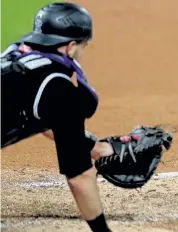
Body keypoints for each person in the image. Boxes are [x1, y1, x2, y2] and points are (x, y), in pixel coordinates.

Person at [2, 3, 113, 231]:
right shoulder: (59, 89)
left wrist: (96, 147)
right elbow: (79, 177)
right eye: (84, 45)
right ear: (71, 47)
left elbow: (46, 121)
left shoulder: (17, 54)